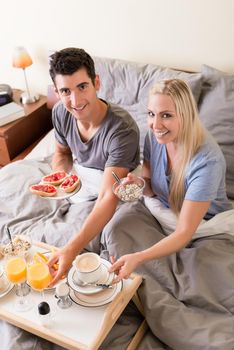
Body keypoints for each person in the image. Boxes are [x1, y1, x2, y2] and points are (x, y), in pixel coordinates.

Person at [105, 78, 232, 282]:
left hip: (202, 227)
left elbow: (184, 232)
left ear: (186, 115)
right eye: (151, 114)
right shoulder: (154, 137)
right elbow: (150, 185)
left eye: (166, 115)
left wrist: (139, 258)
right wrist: (140, 184)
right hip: (162, 212)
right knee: (114, 231)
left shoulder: (207, 161)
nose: (156, 124)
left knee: (197, 278)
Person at [47, 47, 140, 285]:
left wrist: (71, 248)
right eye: (65, 91)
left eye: (82, 87)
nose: (75, 101)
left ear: (96, 82)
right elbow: (61, 153)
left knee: (109, 240)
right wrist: (60, 179)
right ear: (56, 92)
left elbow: (109, 196)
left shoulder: (122, 130)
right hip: (82, 179)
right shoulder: (60, 112)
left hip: (118, 188)